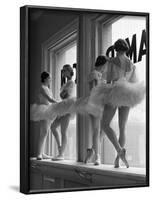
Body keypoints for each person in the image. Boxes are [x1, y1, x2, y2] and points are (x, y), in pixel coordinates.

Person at [88, 39, 145, 168]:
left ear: (116, 48)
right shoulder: (132, 64)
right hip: (128, 93)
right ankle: (118, 160)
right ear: (126, 49)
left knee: (105, 124)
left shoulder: (112, 61)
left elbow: (108, 79)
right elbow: (133, 81)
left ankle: (119, 150)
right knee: (122, 128)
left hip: (115, 92)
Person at [84, 55, 108, 165]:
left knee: (103, 130)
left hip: (101, 103)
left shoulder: (101, 75)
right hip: (95, 103)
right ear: (102, 64)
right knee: (96, 130)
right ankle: (97, 156)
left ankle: (92, 151)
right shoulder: (94, 74)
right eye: (105, 65)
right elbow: (93, 90)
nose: (106, 68)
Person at [51, 64, 76, 161]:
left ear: (69, 72)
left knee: (63, 131)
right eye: (63, 71)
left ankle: (61, 154)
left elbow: (66, 95)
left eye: (65, 71)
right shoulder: (66, 83)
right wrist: (62, 94)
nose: (63, 72)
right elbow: (63, 95)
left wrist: (63, 94)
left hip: (67, 107)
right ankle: (60, 147)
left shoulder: (71, 83)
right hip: (63, 107)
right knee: (53, 127)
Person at [30, 72, 57, 160]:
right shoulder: (42, 88)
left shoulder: (47, 88)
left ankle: (41, 152)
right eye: (49, 78)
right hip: (43, 110)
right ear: (45, 79)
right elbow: (50, 99)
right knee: (44, 131)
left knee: (45, 132)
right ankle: (39, 153)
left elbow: (50, 100)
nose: (50, 80)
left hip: (48, 109)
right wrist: (60, 103)